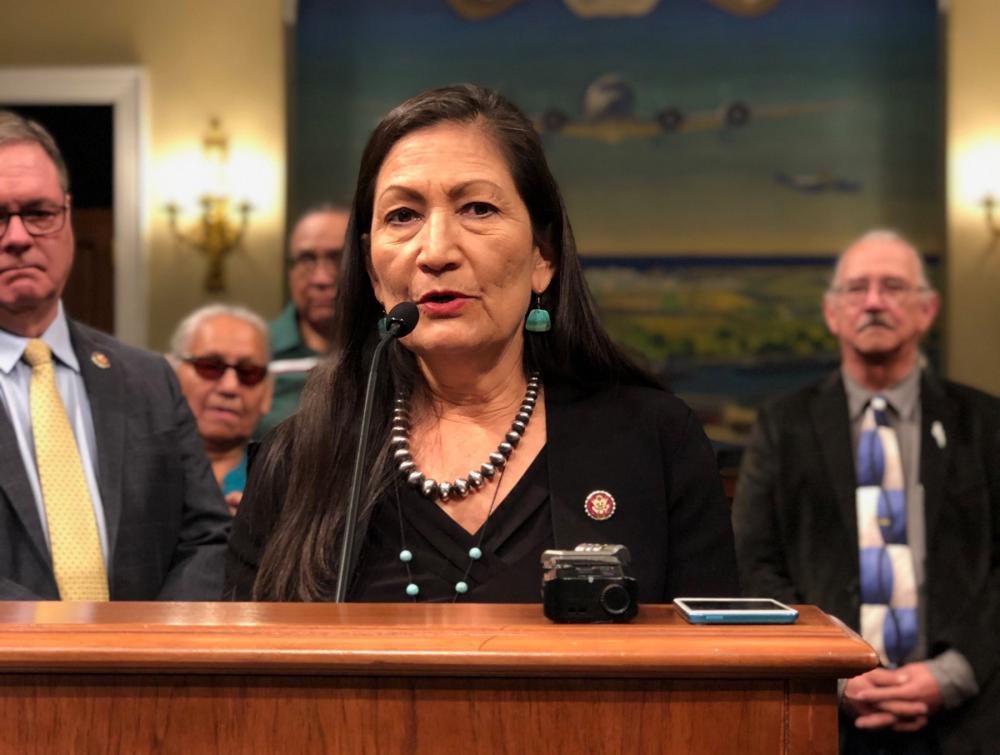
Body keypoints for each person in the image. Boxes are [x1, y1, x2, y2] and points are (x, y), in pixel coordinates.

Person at [226, 84, 738, 604]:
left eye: (476, 208)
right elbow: (241, 672)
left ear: (543, 255)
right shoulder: (300, 458)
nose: (436, 251)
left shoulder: (653, 442)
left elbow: (716, 667)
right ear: (374, 275)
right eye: (403, 216)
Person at [733, 230, 1000, 754]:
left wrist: (951, 674)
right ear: (833, 313)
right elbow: (753, 565)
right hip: (822, 720)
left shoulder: (987, 424)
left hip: (969, 720)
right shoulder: (783, 427)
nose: (874, 301)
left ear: (927, 310)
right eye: (857, 288)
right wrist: (833, 674)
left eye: (894, 287)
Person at [0, 110, 231, 601]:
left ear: (67, 217)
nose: (18, 237)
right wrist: (56, 647)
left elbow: (208, 538)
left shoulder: (148, 378)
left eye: (39, 213)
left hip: (149, 670)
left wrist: (150, 648)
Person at [170, 304, 273, 514]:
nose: (230, 387)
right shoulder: (136, 474)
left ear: (267, 393)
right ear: (173, 376)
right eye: (210, 367)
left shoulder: (285, 488)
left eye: (248, 372)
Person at [257, 205, 349, 437]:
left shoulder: (395, 348)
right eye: (306, 260)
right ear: (290, 271)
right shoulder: (254, 354)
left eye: (337, 259)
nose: (322, 278)